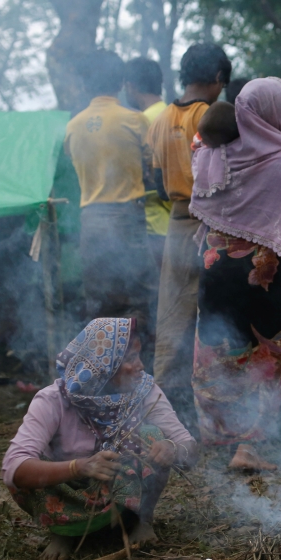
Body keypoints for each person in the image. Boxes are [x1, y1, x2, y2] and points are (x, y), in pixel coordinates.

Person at [188, 78, 281, 471]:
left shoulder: (209, 154)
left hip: (214, 267)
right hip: (259, 274)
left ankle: (216, 434)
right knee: (265, 353)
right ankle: (250, 448)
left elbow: (201, 140)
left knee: (217, 348)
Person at [2, 318, 198, 560]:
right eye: (130, 359)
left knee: (152, 435)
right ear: (103, 366)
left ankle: (141, 519)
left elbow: (188, 445)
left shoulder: (144, 390)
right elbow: (13, 469)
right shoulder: (53, 399)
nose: (140, 366)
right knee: (30, 463)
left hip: (122, 499)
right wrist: (78, 467)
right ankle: (62, 532)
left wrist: (173, 449)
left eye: (139, 355)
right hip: (68, 495)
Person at [147, 43, 230, 426]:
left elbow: (159, 184)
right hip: (210, 225)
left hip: (177, 224)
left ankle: (158, 413)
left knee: (171, 318)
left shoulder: (161, 118)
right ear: (217, 78)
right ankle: (216, 414)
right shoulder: (210, 115)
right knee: (214, 319)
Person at [65, 50, 153, 327]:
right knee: (139, 299)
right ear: (120, 82)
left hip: (91, 223)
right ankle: (139, 366)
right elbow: (152, 169)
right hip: (128, 220)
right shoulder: (135, 120)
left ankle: (103, 367)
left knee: (99, 304)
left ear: (85, 84)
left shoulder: (72, 127)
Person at [124, 56, 170, 370]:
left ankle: (157, 369)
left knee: (157, 303)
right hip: (185, 224)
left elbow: (150, 178)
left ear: (131, 86)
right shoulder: (173, 114)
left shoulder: (143, 122)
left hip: (155, 227)